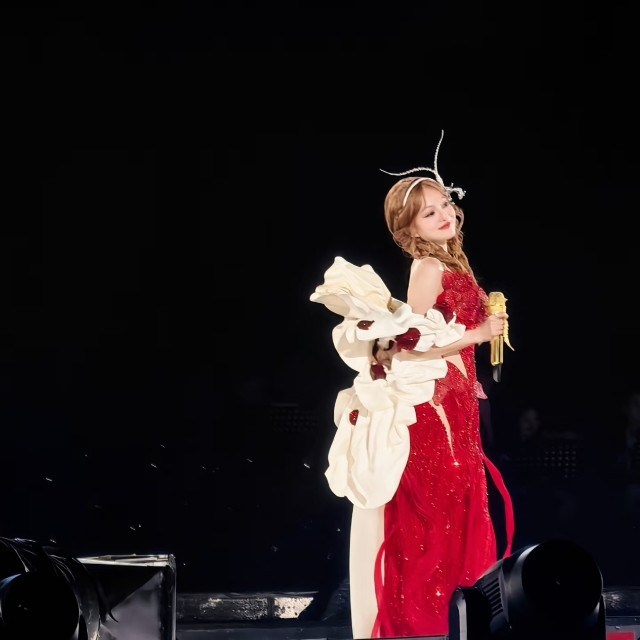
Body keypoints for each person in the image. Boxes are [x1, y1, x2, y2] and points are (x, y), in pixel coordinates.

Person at [310, 131, 515, 639]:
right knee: (434, 513)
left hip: (460, 402)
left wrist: (472, 371)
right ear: (410, 227)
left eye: (444, 204)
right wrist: (478, 334)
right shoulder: (427, 267)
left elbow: (445, 342)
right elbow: (408, 346)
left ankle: (463, 621)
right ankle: (422, 624)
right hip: (433, 408)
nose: (444, 214)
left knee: (462, 505)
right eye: (429, 212)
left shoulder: (451, 261)